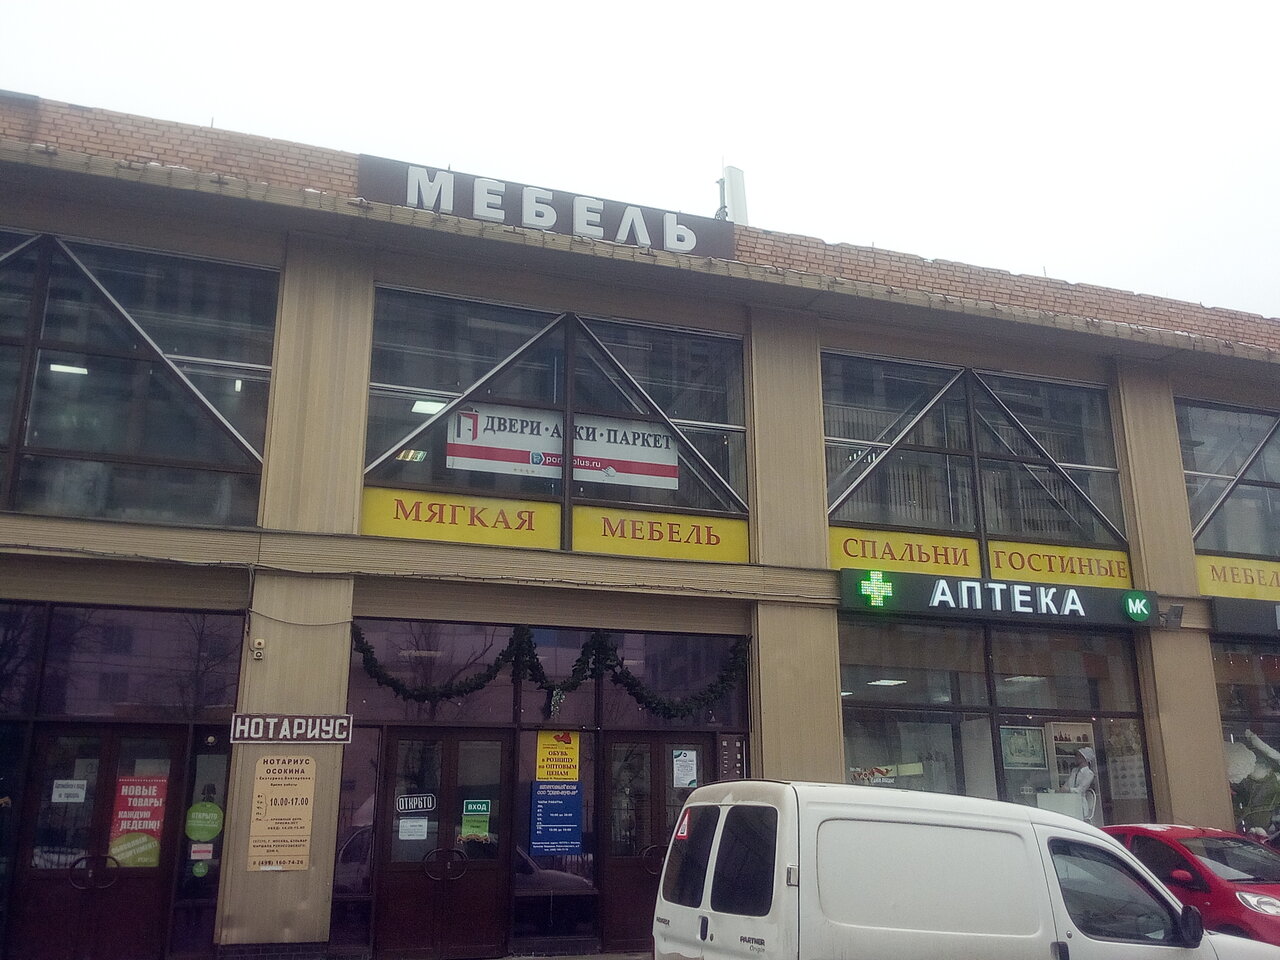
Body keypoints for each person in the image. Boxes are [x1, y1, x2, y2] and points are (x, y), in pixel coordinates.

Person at [1058, 746, 1098, 822]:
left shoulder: (1089, 774)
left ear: (1084, 758)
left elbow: (1080, 790)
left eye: (1078, 756)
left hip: (1079, 805)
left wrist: (1068, 790)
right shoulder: (1074, 771)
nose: (1076, 757)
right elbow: (1067, 784)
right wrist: (1061, 789)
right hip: (1069, 802)